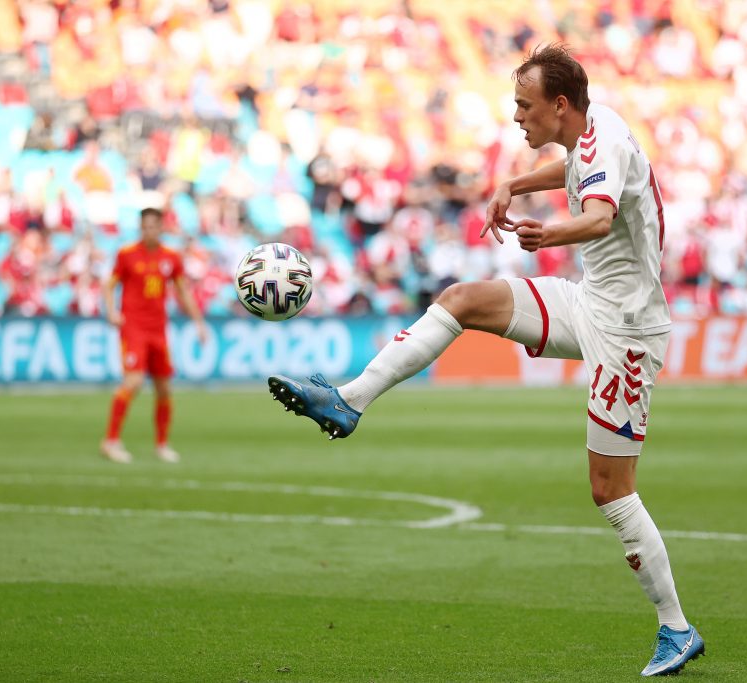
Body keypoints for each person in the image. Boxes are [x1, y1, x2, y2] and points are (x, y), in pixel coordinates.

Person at [268, 44, 704, 677]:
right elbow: (576, 172)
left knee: (610, 489)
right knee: (463, 300)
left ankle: (676, 627)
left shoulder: (604, 143)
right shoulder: (592, 131)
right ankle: (348, 400)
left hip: (628, 332)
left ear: (560, 105)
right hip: (589, 302)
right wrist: (514, 184)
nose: (517, 117)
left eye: (525, 106)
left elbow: (599, 217)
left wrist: (548, 233)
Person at [101, 207, 208, 464]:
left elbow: (183, 292)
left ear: (161, 228)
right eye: (145, 227)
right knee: (134, 381)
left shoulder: (171, 257)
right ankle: (111, 441)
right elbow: (109, 285)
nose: (149, 231)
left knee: (164, 388)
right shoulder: (126, 254)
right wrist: (112, 311)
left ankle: (162, 445)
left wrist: (199, 322)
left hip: (158, 329)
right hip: (133, 327)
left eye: (153, 226)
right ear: (140, 228)